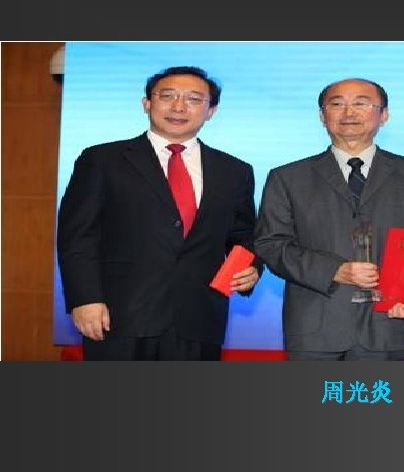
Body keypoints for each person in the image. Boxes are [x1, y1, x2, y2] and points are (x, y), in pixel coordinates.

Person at [56, 66, 260, 360]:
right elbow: (77, 236)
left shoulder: (234, 170)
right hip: (118, 316)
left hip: (198, 320)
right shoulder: (102, 160)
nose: (179, 107)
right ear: (146, 103)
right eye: (168, 96)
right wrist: (84, 298)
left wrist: (252, 268)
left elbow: (244, 235)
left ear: (211, 111)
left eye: (193, 99)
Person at [254, 78, 404, 361]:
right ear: (322, 116)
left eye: (361, 103)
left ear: (384, 115)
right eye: (337, 104)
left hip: (391, 324)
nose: (349, 112)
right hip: (314, 328)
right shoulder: (287, 178)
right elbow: (271, 245)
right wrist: (335, 270)